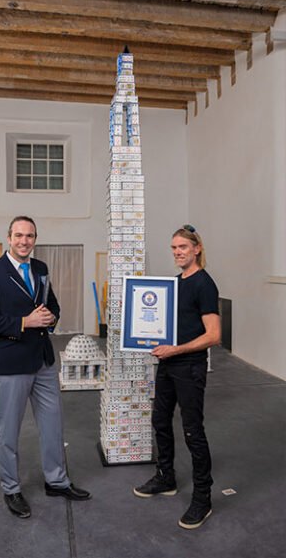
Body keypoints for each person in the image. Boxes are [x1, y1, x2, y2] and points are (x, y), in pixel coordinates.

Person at [0, 216, 91, 519]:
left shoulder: (40, 269)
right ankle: (11, 488)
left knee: (53, 425)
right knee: (8, 431)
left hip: (43, 361)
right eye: (19, 235)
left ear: (35, 239)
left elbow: (53, 306)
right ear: (9, 238)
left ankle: (57, 481)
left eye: (30, 236)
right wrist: (24, 322)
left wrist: (51, 318)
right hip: (11, 363)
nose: (24, 241)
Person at [133, 225, 220, 530]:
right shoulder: (172, 284)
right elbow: (162, 324)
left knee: (193, 431)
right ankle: (166, 477)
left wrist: (177, 349)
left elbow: (214, 335)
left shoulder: (204, 284)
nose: (177, 252)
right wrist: (146, 340)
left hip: (190, 366)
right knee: (160, 421)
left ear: (197, 248)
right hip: (168, 365)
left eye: (183, 246)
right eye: (173, 248)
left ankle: (203, 499)